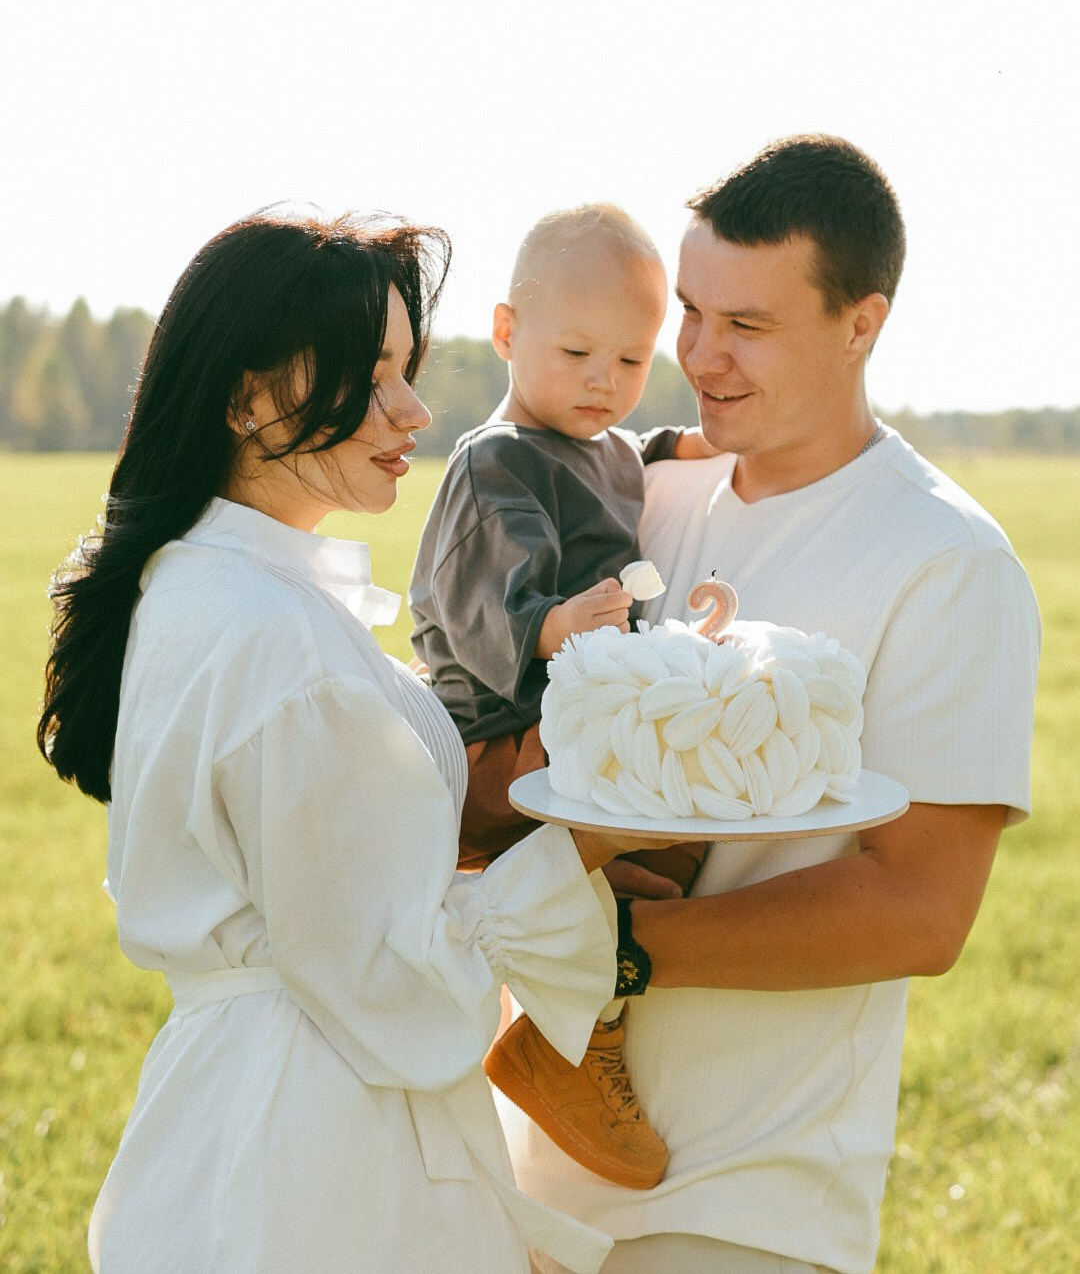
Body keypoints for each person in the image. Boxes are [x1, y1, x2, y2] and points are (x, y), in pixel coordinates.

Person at [35, 210, 659, 1274]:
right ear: (245, 397)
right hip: (320, 1148)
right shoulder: (276, 642)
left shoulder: (203, 588)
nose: (414, 410)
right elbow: (398, 987)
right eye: (369, 377)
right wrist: (586, 843)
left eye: (407, 369)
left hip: (252, 1112)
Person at [503, 136, 1040, 1274]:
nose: (699, 354)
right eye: (691, 312)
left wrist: (613, 948)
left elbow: (918, 910)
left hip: (744, 1200)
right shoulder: (637, 496)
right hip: (521, 1175)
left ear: (863, 324)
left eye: (745, 324)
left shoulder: (944, 558)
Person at [410, 205, 713, 1191]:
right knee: (632, 802)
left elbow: (639, 451)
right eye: (576, 351)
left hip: (553, 724)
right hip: (493, 738)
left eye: (629, 362)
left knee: (664, 852)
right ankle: (571, 1045)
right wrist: (547, 626)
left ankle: (566, 1008)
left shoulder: (610, 447)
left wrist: (690, 448)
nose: (602, 382)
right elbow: (478, 591)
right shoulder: (493, 460)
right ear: (506, 335)